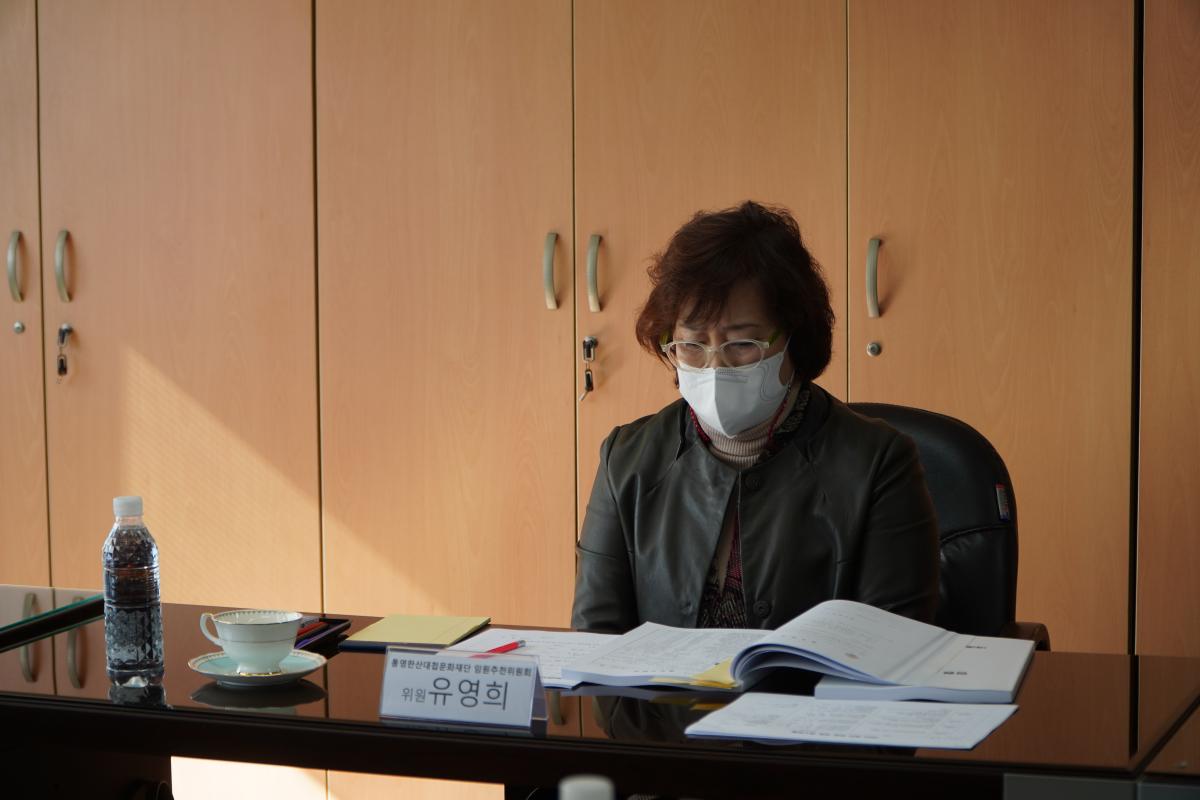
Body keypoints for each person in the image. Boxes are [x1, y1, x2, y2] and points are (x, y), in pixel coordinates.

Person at [572, 201, 939, 634]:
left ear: (794, 338)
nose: (715, 366)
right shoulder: (626, 460)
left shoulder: (879, 463)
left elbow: (890, 646)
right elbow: (595, 640)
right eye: (691, 345)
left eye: (742, 344)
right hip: (661, 684)